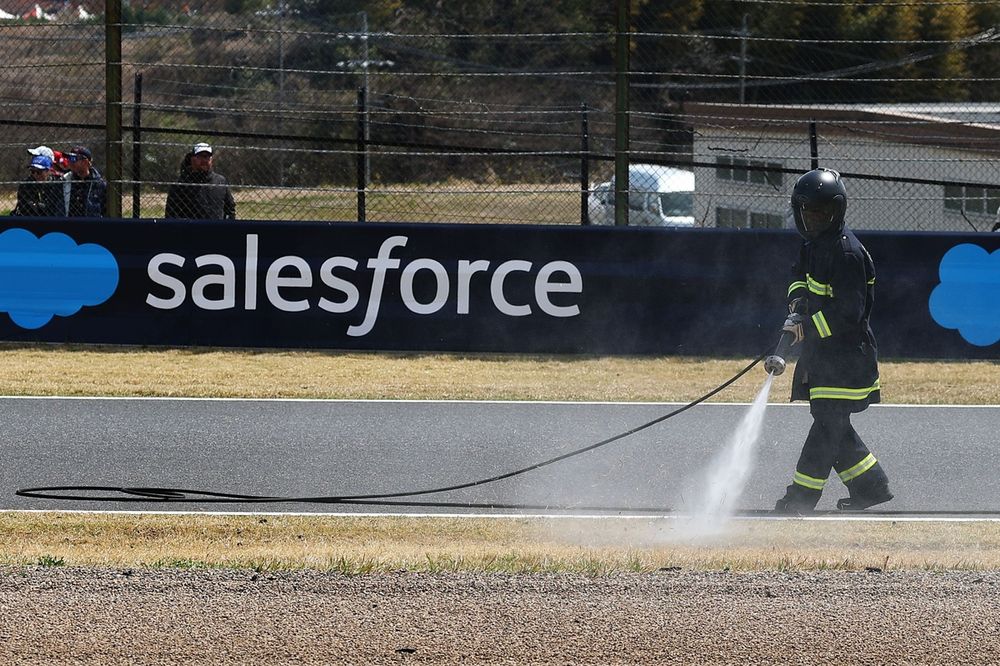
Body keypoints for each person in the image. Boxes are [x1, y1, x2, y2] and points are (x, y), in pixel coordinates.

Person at [772, 167, 892, 514]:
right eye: (807, 212)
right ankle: (870, 485)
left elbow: (847, 314)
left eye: (821, 212)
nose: (813, 219)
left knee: (827, 425)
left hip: (847, 358)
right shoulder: (812, 245)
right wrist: (797, 303)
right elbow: (798, 277)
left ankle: (801, 498)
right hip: (823, 356)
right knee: (831, 422)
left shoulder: (847, 254)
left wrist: (805, 328)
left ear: (836, 211)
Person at [164, 142, 236, 220]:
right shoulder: (181, 184)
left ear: (211, 159)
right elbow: (171, 214)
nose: (204, 160)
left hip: (216, 229)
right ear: (192, 159)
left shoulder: (220, 181)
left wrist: (227, 226)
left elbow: (230, 208)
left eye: (207, 157)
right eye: (200, 157)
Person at [64, 145, 107, 218]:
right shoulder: (65, 181)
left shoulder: (99, 184)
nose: (70, 162)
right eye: (69, 158)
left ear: (85, 161)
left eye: (74, 159)